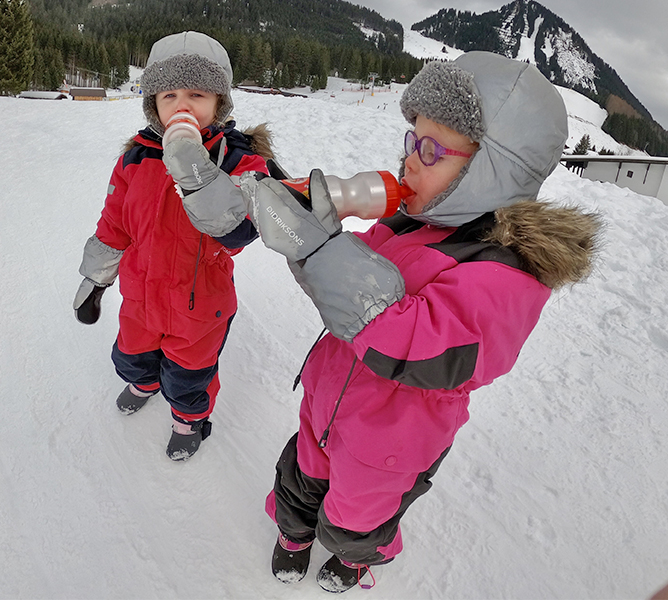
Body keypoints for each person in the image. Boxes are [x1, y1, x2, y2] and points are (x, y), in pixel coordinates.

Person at [232, 52, 601, 591]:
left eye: (430, 150)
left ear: (492, 169)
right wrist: (310, 237)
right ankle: (293, 533)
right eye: (411, 141)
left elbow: (411, 342)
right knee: (301, 475)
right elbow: (346, 287)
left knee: (361, 516)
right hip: (328, 397)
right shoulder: (411, 224)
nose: (408, 162)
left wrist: (323, 249)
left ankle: (354, 557)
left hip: (391, 443)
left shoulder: (508, 272)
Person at [73, 31, 271, 461]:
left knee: (189, 375)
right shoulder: (135, 159)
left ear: (219, 103)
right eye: (169, 95)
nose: (182, 106)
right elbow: (114, 225)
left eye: (197, 93)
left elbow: (238, 231)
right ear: (153, 106)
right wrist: (95, 279)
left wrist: (194, 169)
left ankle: (188, 419)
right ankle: (143, 383)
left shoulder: (239, 161)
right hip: (141, 295)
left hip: (200, 305)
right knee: (132, 353)